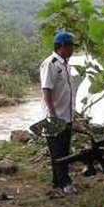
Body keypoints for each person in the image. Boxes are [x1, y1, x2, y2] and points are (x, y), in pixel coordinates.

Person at [40, 31, 78, 194]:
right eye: (70, 46)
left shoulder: (65, 64)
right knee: (58, 152)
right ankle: (65, 183)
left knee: (64, 149)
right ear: (61, 46)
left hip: (66, 115)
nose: (72, 49)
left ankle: (57, 182)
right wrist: (52, 114)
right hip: (54, 116)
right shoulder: (51, 63)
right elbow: (46, 89)